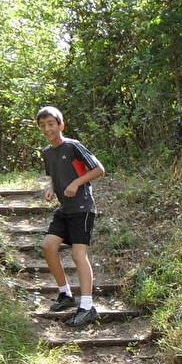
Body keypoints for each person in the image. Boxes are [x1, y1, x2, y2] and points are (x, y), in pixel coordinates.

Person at [35, 105, 106, 328]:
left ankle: (87, 307)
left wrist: (76, 183)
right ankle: (65, 295)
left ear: (60, 125)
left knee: (78, 254)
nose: (47, 129)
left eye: (51, 124)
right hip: (65, 209)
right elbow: (54, 176)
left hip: (83, 208)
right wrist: (51, 188)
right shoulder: (47, 152)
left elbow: (98, 169)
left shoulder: (73, 146)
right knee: (48, 246)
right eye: (43, 125)